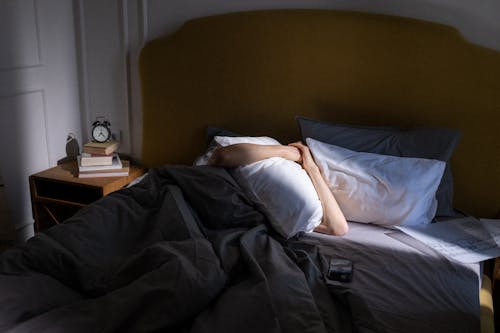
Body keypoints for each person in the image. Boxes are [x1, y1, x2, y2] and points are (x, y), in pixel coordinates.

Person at [208, 141, 349, 236]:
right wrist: (284, 151)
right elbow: (222, 156)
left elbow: (339, 228)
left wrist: (312, 169)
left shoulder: (300, 216)